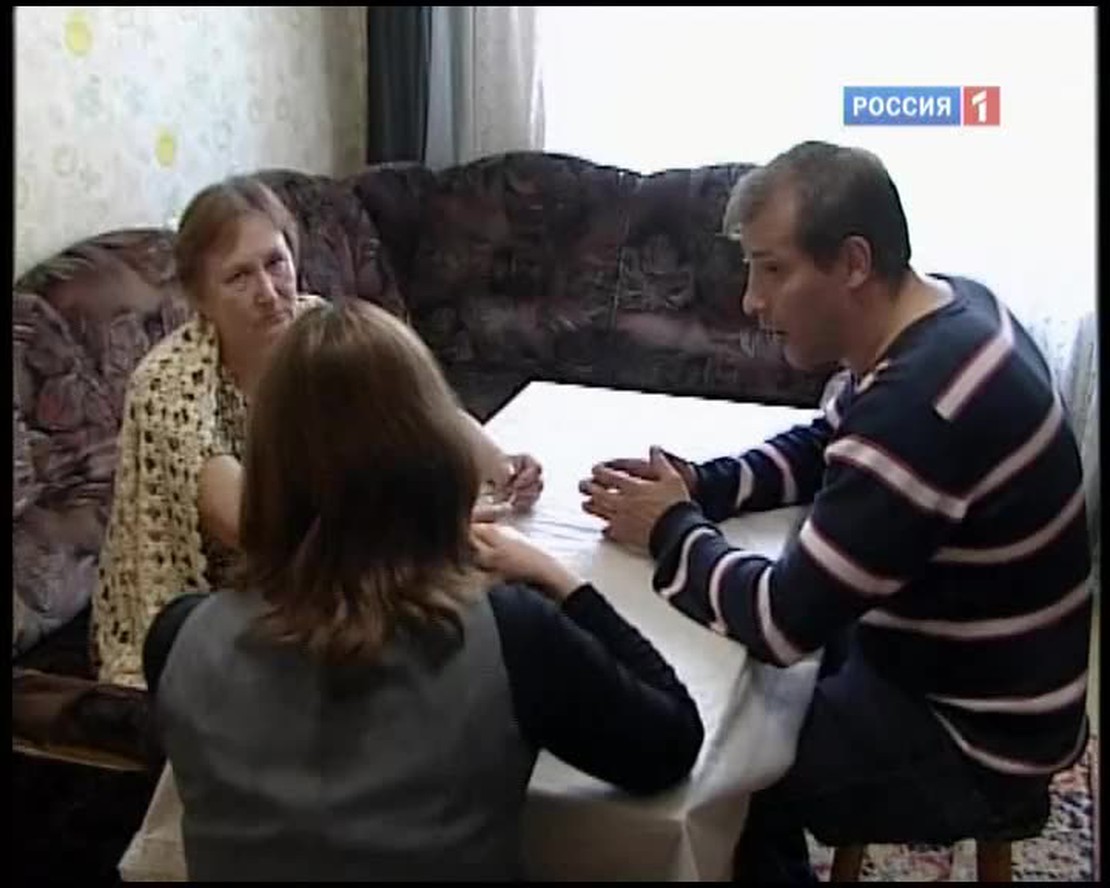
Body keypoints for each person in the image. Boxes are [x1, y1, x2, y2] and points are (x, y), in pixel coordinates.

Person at [578, 141, 1093, 881]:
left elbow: (780, 621)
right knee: (742, 686)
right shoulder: (952, 307)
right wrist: (704, 486)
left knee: (726, 767)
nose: (751, 301)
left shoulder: (920, 411)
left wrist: (667, 528)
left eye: (772, 270)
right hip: (981, 673)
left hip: (975, 740)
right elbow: (831, 442)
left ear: (853, 263)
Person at [140, 300, 704, 881]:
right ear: (435, 454)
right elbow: (671, 742)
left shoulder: (177, 637)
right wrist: (563, 582)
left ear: (266, 472)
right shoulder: (510, 633)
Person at [94, 176, 542, 689]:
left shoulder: (317, 327)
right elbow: (256, 527)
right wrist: (422, 523)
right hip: (223, 600)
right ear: (200, 298)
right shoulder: (168, 386)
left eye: (275, 262)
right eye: (238, 277)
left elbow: (419, 411)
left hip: (334, 565)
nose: (268, 293)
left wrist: (499, 464)